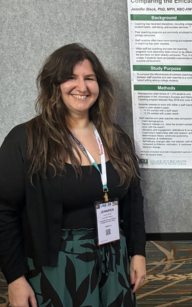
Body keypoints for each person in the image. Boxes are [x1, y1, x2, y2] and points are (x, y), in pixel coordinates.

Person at [0, 43, 146, 307]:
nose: (82, 87)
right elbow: (3, 211)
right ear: (54, 84)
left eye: (89, 78)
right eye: (71, 78)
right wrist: (15, 278)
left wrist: (138, 253)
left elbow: (133, 200)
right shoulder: (26, 139)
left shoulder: (117, 138)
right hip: (55, 265)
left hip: (114, 259)